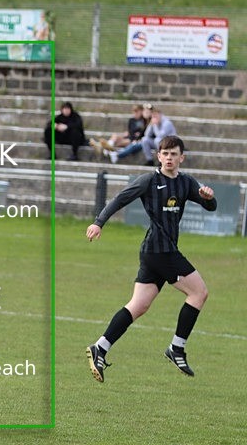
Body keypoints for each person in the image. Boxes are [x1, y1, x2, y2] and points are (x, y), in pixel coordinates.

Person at [84, 135, 216, 383]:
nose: (169, 158)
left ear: (182, 157)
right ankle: (177, 348)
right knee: (199, 293)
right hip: (160, 252)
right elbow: (120, 199)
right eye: (165, 154)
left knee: (138, 306)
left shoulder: (186, 182)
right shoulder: (149, 181)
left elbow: (210, 206)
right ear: (158, 156)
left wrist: (209, 198)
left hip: (156, 252)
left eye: (174, 154)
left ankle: (100, 347)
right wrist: (98, 222)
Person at [109, 105, 175, 166]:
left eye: (155, 116)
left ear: (160, 115)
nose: (154, 118)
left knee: (157, 140)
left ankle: (162, 161)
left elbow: (160, 135)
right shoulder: (146, 121)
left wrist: (155, 125)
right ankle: (150, 160)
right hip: (156, 143)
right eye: (153, 116)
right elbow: (147, 134)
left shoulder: (167, 123)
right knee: (145, 140)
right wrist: (151, 125)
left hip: (169, 143)